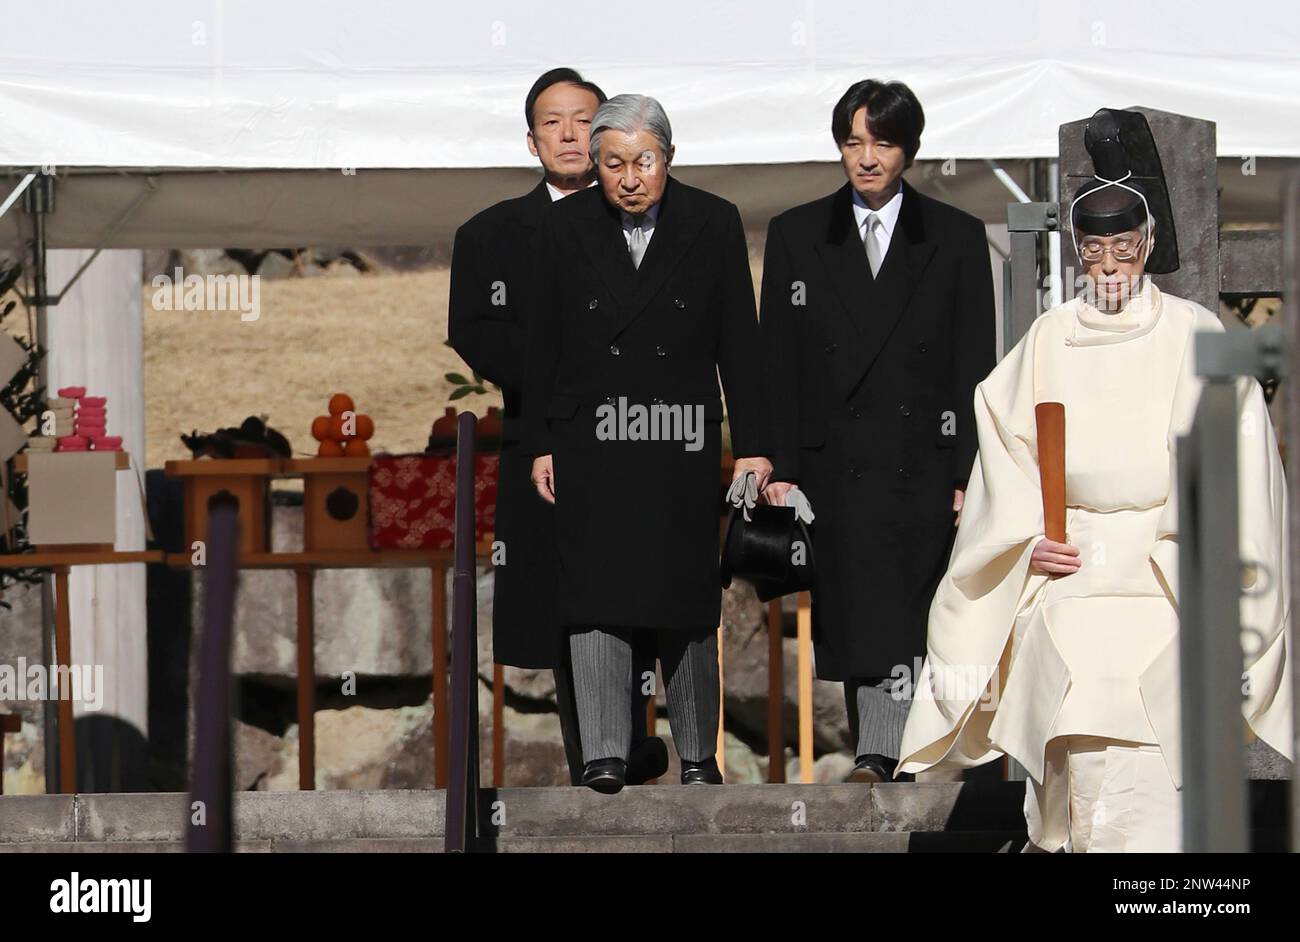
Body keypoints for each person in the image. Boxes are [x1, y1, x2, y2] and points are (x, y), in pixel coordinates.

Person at [895, 108, 1294, 852]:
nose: (1109, 267)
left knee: (1157, 718)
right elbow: (1005, 452)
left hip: (1164, 572)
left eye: (1123, 247)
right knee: (1072, 710)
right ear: (1078, 252)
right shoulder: (1049, 338)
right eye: (1094, 250)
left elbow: (1235, 462)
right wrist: (1024, 543)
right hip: (1071, 568)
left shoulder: (1194, 335)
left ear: (1145, 244)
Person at [524, 93, 772, 791]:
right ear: (595, 168)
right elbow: (543, 342)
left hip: (680, 439)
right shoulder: (565, 226)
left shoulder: (713, 222)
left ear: (668, 157)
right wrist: (543, 440)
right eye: (613, 164)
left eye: (644, 161)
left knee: (686, 596)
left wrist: (752, 446)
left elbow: (739, 342)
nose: (629, 178)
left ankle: (697, 754)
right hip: (591, 439)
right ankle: (604, 750)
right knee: (595, 591)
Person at [759, 80, 996, 782]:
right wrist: (781, 463)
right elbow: (781, 358)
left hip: (920, 459)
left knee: (910, 610)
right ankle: (882, 751)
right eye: (853, 141)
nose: (866, 158)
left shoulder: (953, 237)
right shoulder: (798, 234)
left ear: (909, 150)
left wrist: (967, 472)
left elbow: (971, 361)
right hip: (835, 463)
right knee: (856, 609)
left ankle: (889, 752)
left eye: (882, 143)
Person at [447, 69, 665, 786]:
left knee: (640, 597)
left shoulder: (650, 220)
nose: (569, 134)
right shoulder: (489, 234)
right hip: (545, 441)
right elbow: (476, 331)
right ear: (532, 139)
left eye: (582, 120)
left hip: (642, 439)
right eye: (553, 122)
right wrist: (565, 379)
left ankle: (635, 741)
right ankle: (595, 756)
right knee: (568, 609)